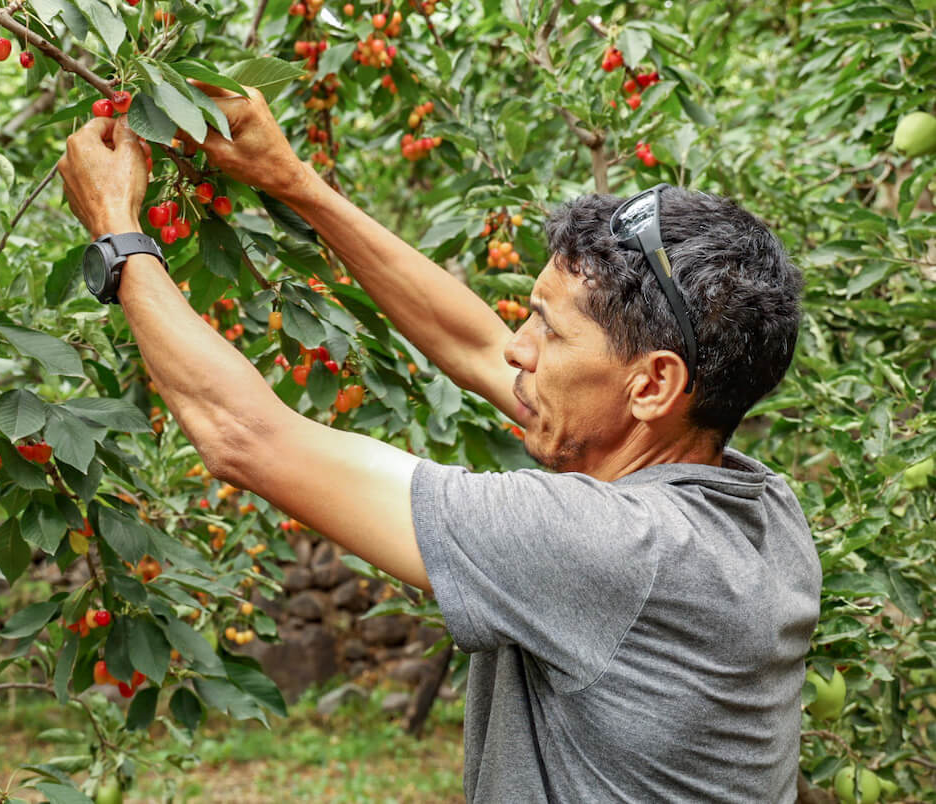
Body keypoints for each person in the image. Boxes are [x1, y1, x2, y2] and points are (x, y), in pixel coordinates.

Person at [57, 84, 821, 803]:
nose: (519, 349)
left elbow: (245, 437)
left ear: (652, 385)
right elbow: (480, 348)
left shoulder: (614, 549)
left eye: (548, 331)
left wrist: (119, 236)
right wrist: (291, 179)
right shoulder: (760, 510)